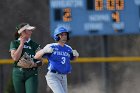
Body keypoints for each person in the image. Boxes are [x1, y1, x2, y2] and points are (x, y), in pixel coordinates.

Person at [34, 26, 79, 93]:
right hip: (53, 76)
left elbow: (73, 59)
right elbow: (36, 56)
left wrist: (76, 56)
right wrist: (44, 51)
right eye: (62, 34)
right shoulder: (51, 46)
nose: (64, 36)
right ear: (57, 36)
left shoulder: (69, 48)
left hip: (64, 77)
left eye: (65, 34)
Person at [9, 23, 43, 93]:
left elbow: (41, 61)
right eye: (29, 30)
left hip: (32, 73)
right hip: (17, 73)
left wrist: (34, 64)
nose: (31, 32)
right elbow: (15, 58)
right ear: (23, 32)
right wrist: (21, 44)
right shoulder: (14, 43)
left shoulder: (35, 45)